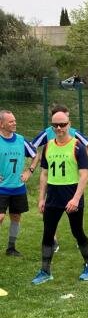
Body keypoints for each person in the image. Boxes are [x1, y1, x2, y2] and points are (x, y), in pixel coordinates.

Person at [32, 110, 88, 285]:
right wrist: (41, 198)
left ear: (69, 124)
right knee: (48, 233)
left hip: (71, 194)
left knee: (77, 232)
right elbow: (44, 174)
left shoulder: (77, 146)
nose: (59, 128)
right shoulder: (48, 146)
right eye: (55, 125)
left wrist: (75, 199)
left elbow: (84, 175)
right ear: (52, 127)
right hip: (53, 196)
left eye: (63, 124)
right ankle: (45, 271)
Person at [0, 110, 38, 257]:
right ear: (1, 124)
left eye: (14, 120)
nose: (14, 123)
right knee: (1, 217)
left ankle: (11, 248)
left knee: (16, 217)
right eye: (10, 121)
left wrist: (29, 171)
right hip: (2, 188)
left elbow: (36, 155)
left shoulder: (20, 140)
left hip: (18, 188)